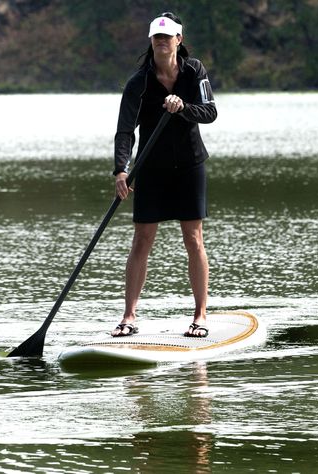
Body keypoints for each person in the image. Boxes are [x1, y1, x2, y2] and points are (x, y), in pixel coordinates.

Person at [111, 12, 217, 338]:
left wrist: (182, 107)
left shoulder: (194, 71)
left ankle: (200, 315)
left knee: (193, 238)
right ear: (151, 42)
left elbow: (210, 112)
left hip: (189, 166)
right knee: (141, 240)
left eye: (167, 36)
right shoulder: (138, 83)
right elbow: (125, 131)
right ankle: (129, 317)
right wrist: (121, 169)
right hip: (151, 168)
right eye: (156, 37)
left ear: (178, 40)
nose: (161, 42)